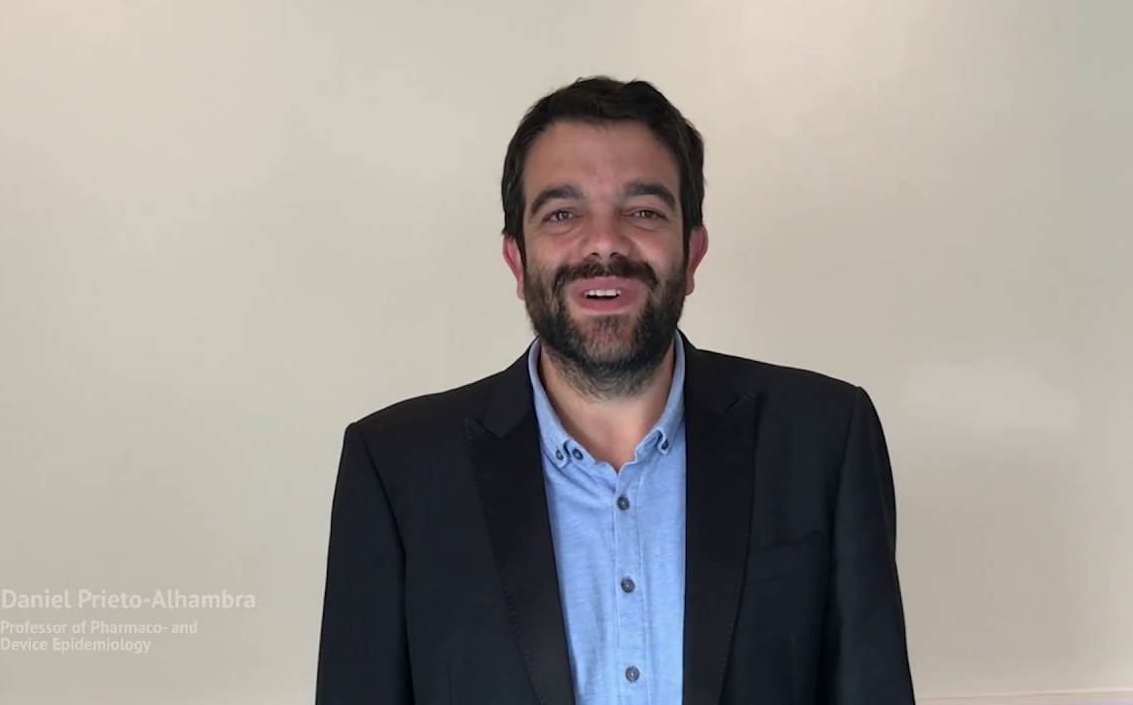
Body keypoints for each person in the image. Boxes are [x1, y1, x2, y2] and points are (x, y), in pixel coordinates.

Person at [314, 76, 915, 705]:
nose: (603, 241)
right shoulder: (395, 468)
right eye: (562, 214)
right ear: (517, 260)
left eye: (644, 211)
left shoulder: (826, 437)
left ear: (692, 254)